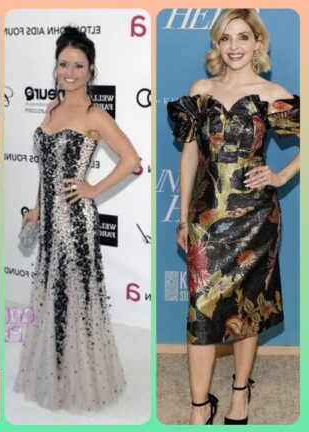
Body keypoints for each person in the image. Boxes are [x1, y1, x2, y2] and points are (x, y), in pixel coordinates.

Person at [167, 9, 299, 425]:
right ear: (217, 44)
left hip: (256, 218)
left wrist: (280, 174)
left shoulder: (270, 92)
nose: (235, 46)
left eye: (243, 37)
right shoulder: (201, 90)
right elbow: (191, 154)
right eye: (227, 38)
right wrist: (184, 216)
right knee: (200, 311)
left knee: (249, 308)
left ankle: (240, 391)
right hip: (206, 217)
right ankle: (198, 404)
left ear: (258, 42)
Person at [14, 26, 139, 411]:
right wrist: (37, 208)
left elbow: (132, 160)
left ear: (91, 70)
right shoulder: (51, 108)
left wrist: (91, 189)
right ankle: (57, 371)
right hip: (50, 222)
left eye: (78, 66)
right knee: (53, 295)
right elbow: (45, 170)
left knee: (73, 296)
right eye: (63, 64)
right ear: (55, 67)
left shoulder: (94, 114)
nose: (69, 72)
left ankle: (77, 379)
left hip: (75, 223)